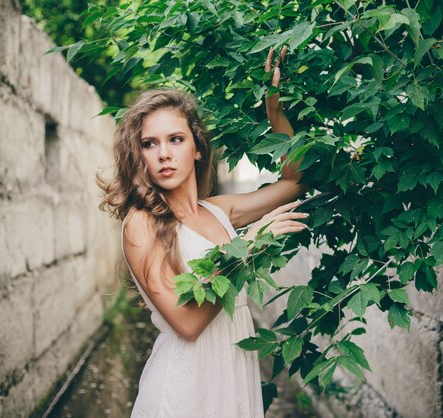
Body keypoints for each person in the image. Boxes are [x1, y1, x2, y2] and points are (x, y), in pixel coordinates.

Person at [97, 46, 310, 417]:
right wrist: (252, 245)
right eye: (150, 143)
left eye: (175, 139)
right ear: (140, 155)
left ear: (197, 148)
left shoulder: (220, 210)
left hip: (232, 377)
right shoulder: (140, 224)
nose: (164, 153)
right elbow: (188, 323)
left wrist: (274, 108)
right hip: (184, 389)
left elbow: (296, 180)